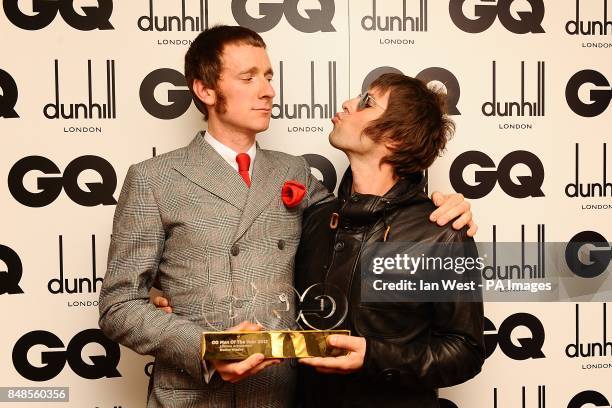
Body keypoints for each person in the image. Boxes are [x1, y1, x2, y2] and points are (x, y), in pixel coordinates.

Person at [100, 25, 475, 408]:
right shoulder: (153, 179)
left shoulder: (294, 173)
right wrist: (199, 347)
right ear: (206, 91)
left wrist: (441, 206)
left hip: (279, 397)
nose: (267, 91)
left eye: (268, 76)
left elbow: (371, 211)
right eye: (248, 78)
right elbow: (119, 305)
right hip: (194, 398)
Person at [294, 73, 485, 407]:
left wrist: (375, 357)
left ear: (395, 138)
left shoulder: (440, 230)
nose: (347, 104)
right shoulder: (316, 220)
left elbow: (464, 351)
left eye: (367, 101)